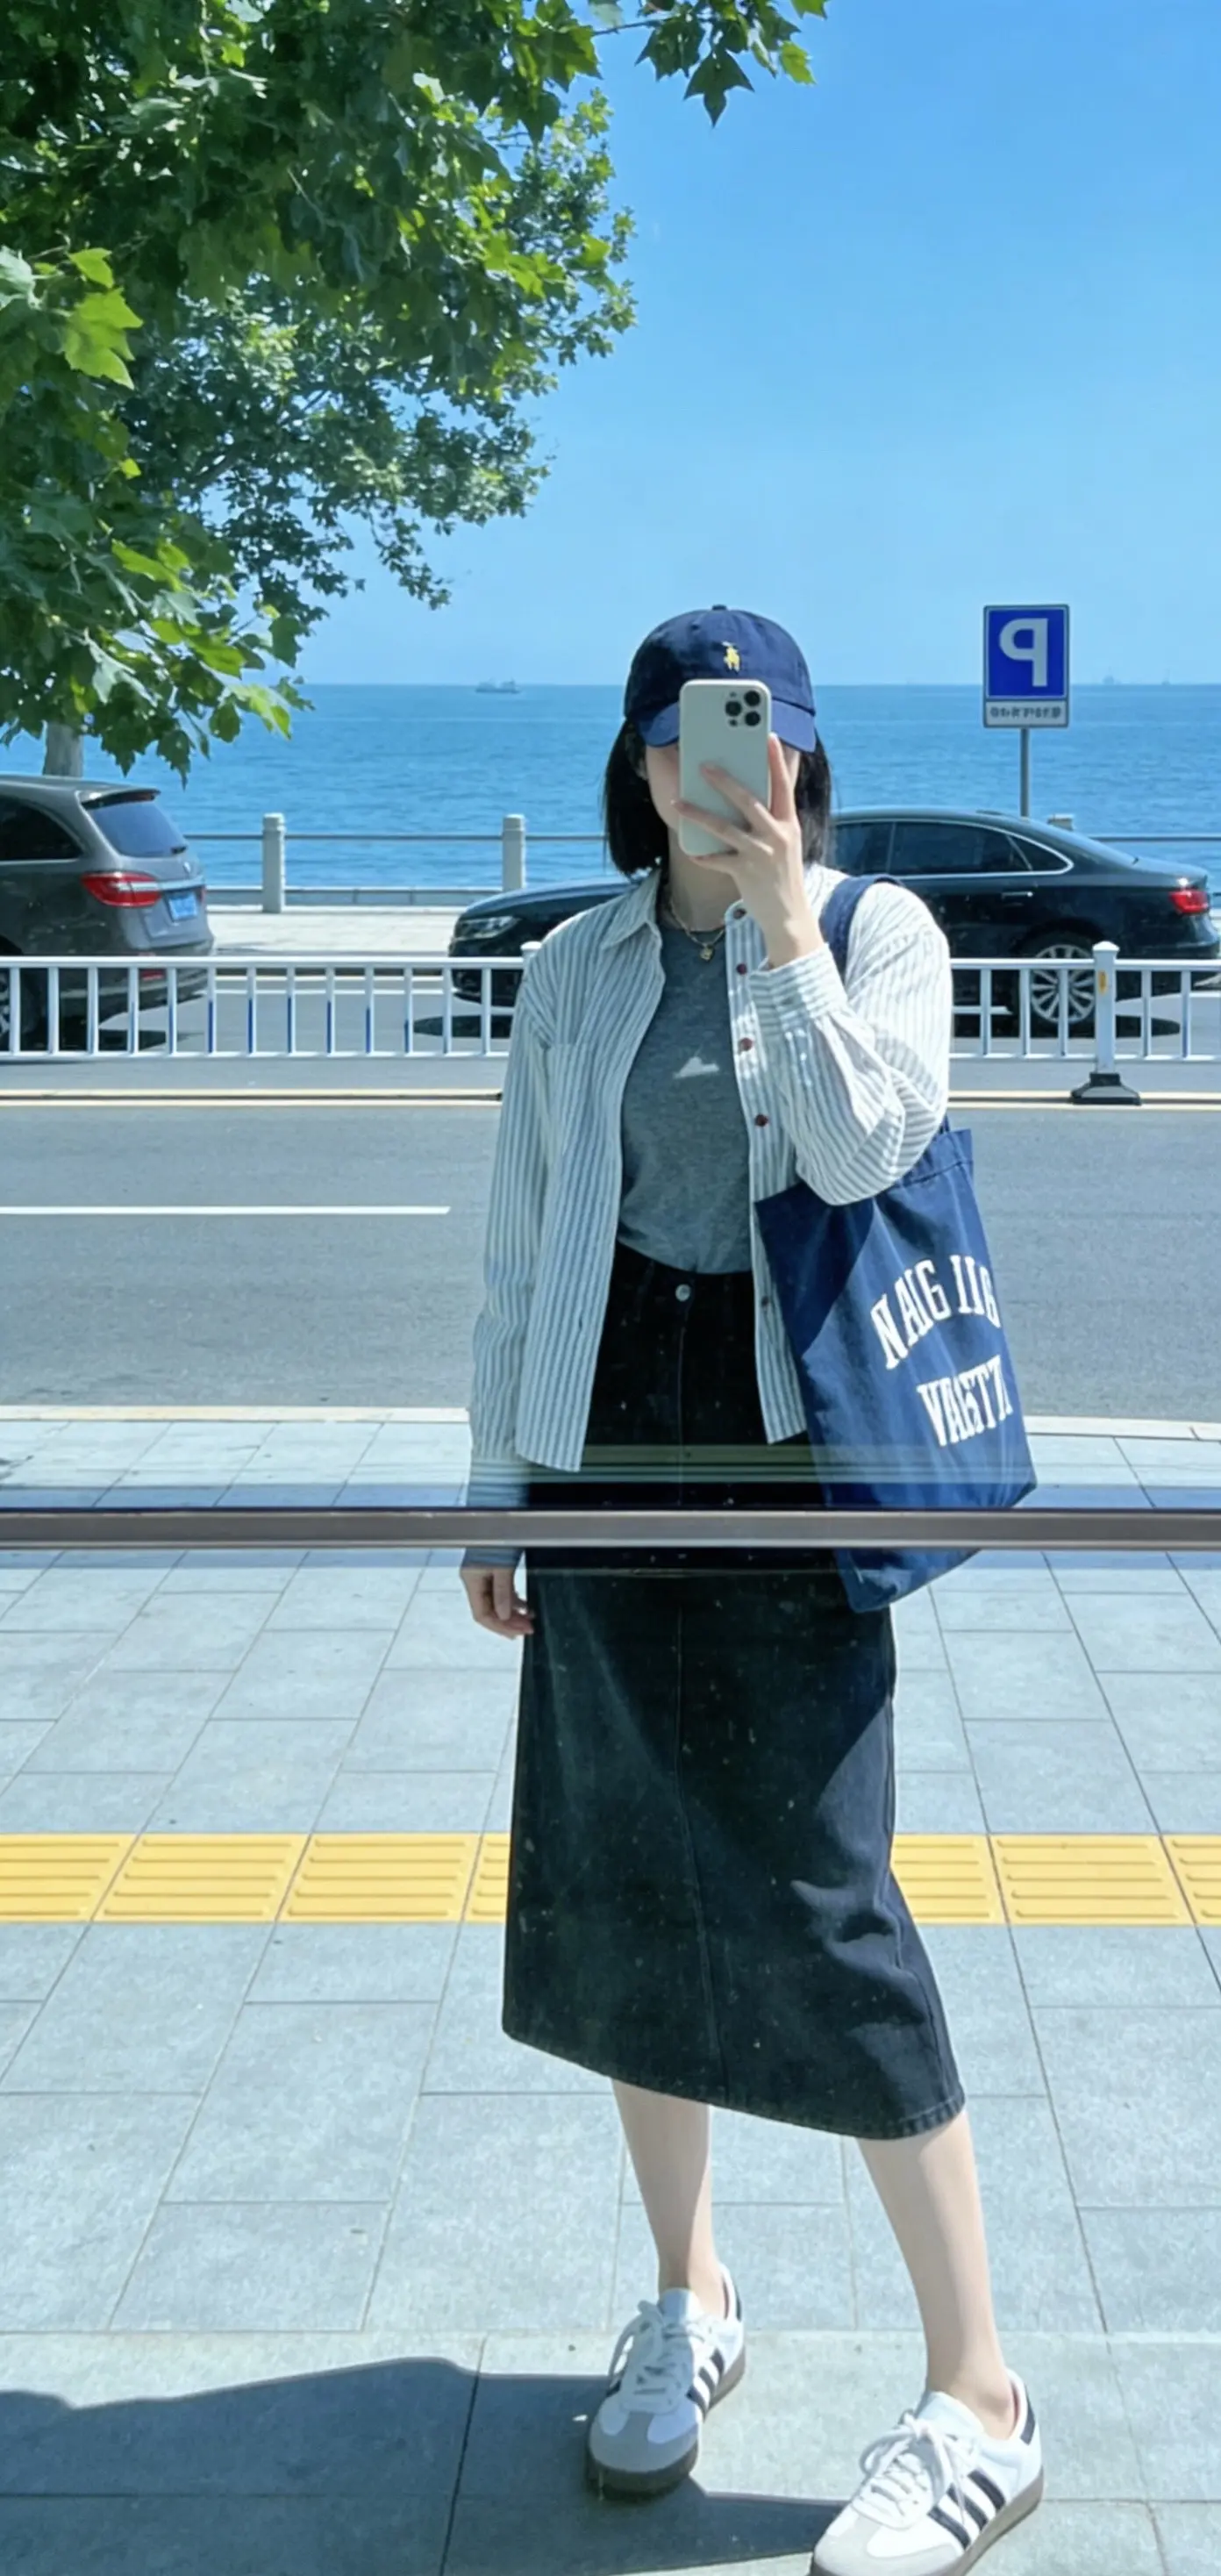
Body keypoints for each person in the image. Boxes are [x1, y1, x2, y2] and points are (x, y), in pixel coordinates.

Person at [458, 607, 1044, 2573]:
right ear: (642, 767)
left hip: (793, 1443)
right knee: (626, 1866)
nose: (728, 770)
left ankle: (982, 2393)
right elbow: (527, 1233)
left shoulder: (881, 933)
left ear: (801, 759)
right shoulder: (578, 966)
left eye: (763, 738)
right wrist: (500, 1492)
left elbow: (872, 1144)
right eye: (693, 741)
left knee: (821, 1891)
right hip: (610, 1422)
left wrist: (785, 922)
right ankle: (689, 2291)